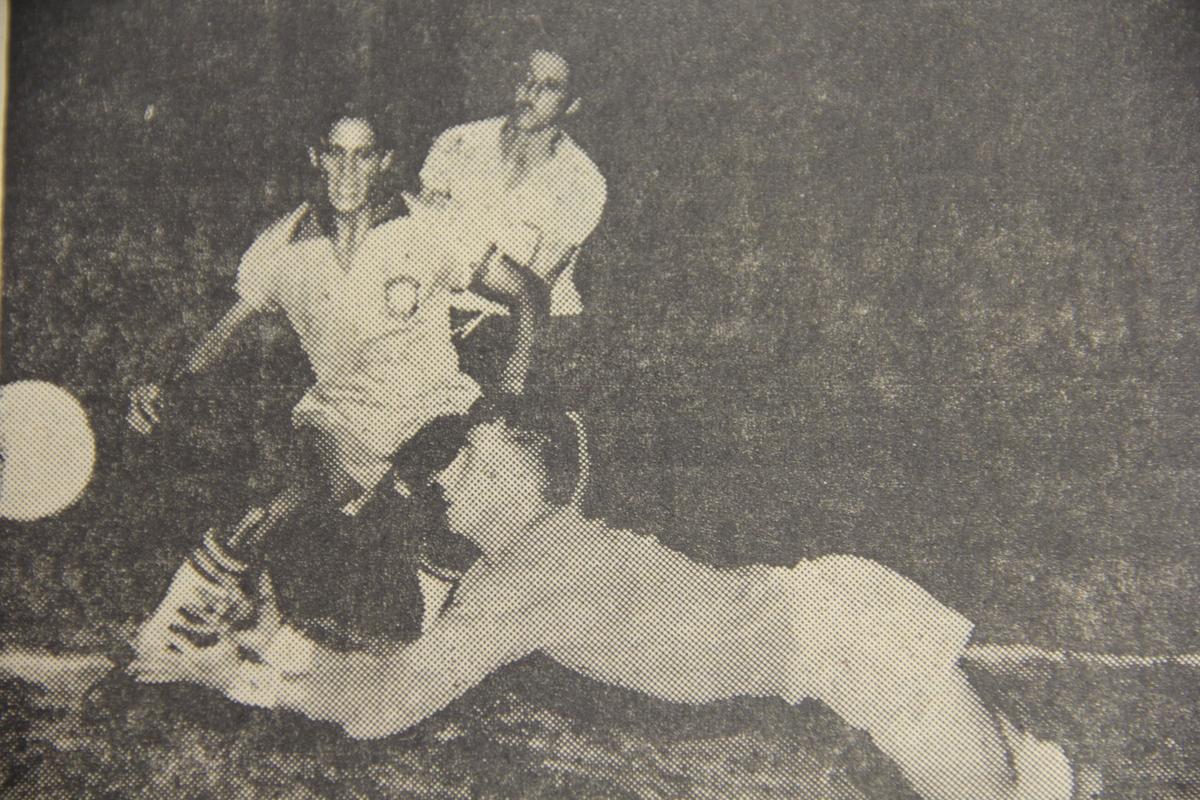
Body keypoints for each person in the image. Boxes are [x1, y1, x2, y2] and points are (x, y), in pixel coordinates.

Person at [140, 416, 1084, 800]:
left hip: (845, 640)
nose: (450, 483)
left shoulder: (526, 576)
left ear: (521, 482)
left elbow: (386, 704)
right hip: (831, 623)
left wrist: (240, 679)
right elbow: (393, 679)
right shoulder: (519, 570)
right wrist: (274, 640)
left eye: (472, 465)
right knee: (1037, 782)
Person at [128, 109, 549, 652]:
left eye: (363, 155)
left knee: (446, 497)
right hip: (340, 418)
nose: (348, 171)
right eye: (336, 153)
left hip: (434, 410)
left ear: (384, 162)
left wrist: (510, 392)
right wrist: (167, 384)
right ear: (317, 157)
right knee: (278, 499)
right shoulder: (282, 248)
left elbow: (529, 293)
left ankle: (417, 629)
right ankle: (168, 638)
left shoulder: (432, 228)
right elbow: (223, 330)